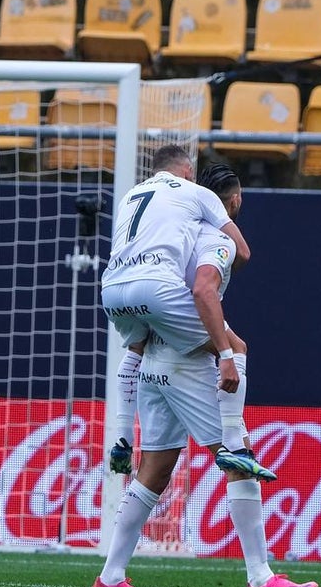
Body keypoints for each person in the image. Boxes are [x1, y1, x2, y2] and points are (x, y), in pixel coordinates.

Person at [93, 165, 318, 587]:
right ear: (231, 202)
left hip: (153, 360)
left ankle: (110, 575)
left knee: (155, 469)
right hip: (185, 367)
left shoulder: (163, 237)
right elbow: (203, 289)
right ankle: (261, 578)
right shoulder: (215, 238)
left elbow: (139, 335)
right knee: (238, 456)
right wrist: (226, 354)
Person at [99, 145, 270, 481]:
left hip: (113, 289)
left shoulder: (131, 195)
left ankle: (122, 436)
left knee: (136, 347)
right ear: (188, 170)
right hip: (157, 292)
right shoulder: (197, 196)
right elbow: (242, 253)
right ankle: (236, 447)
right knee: (236, 348)